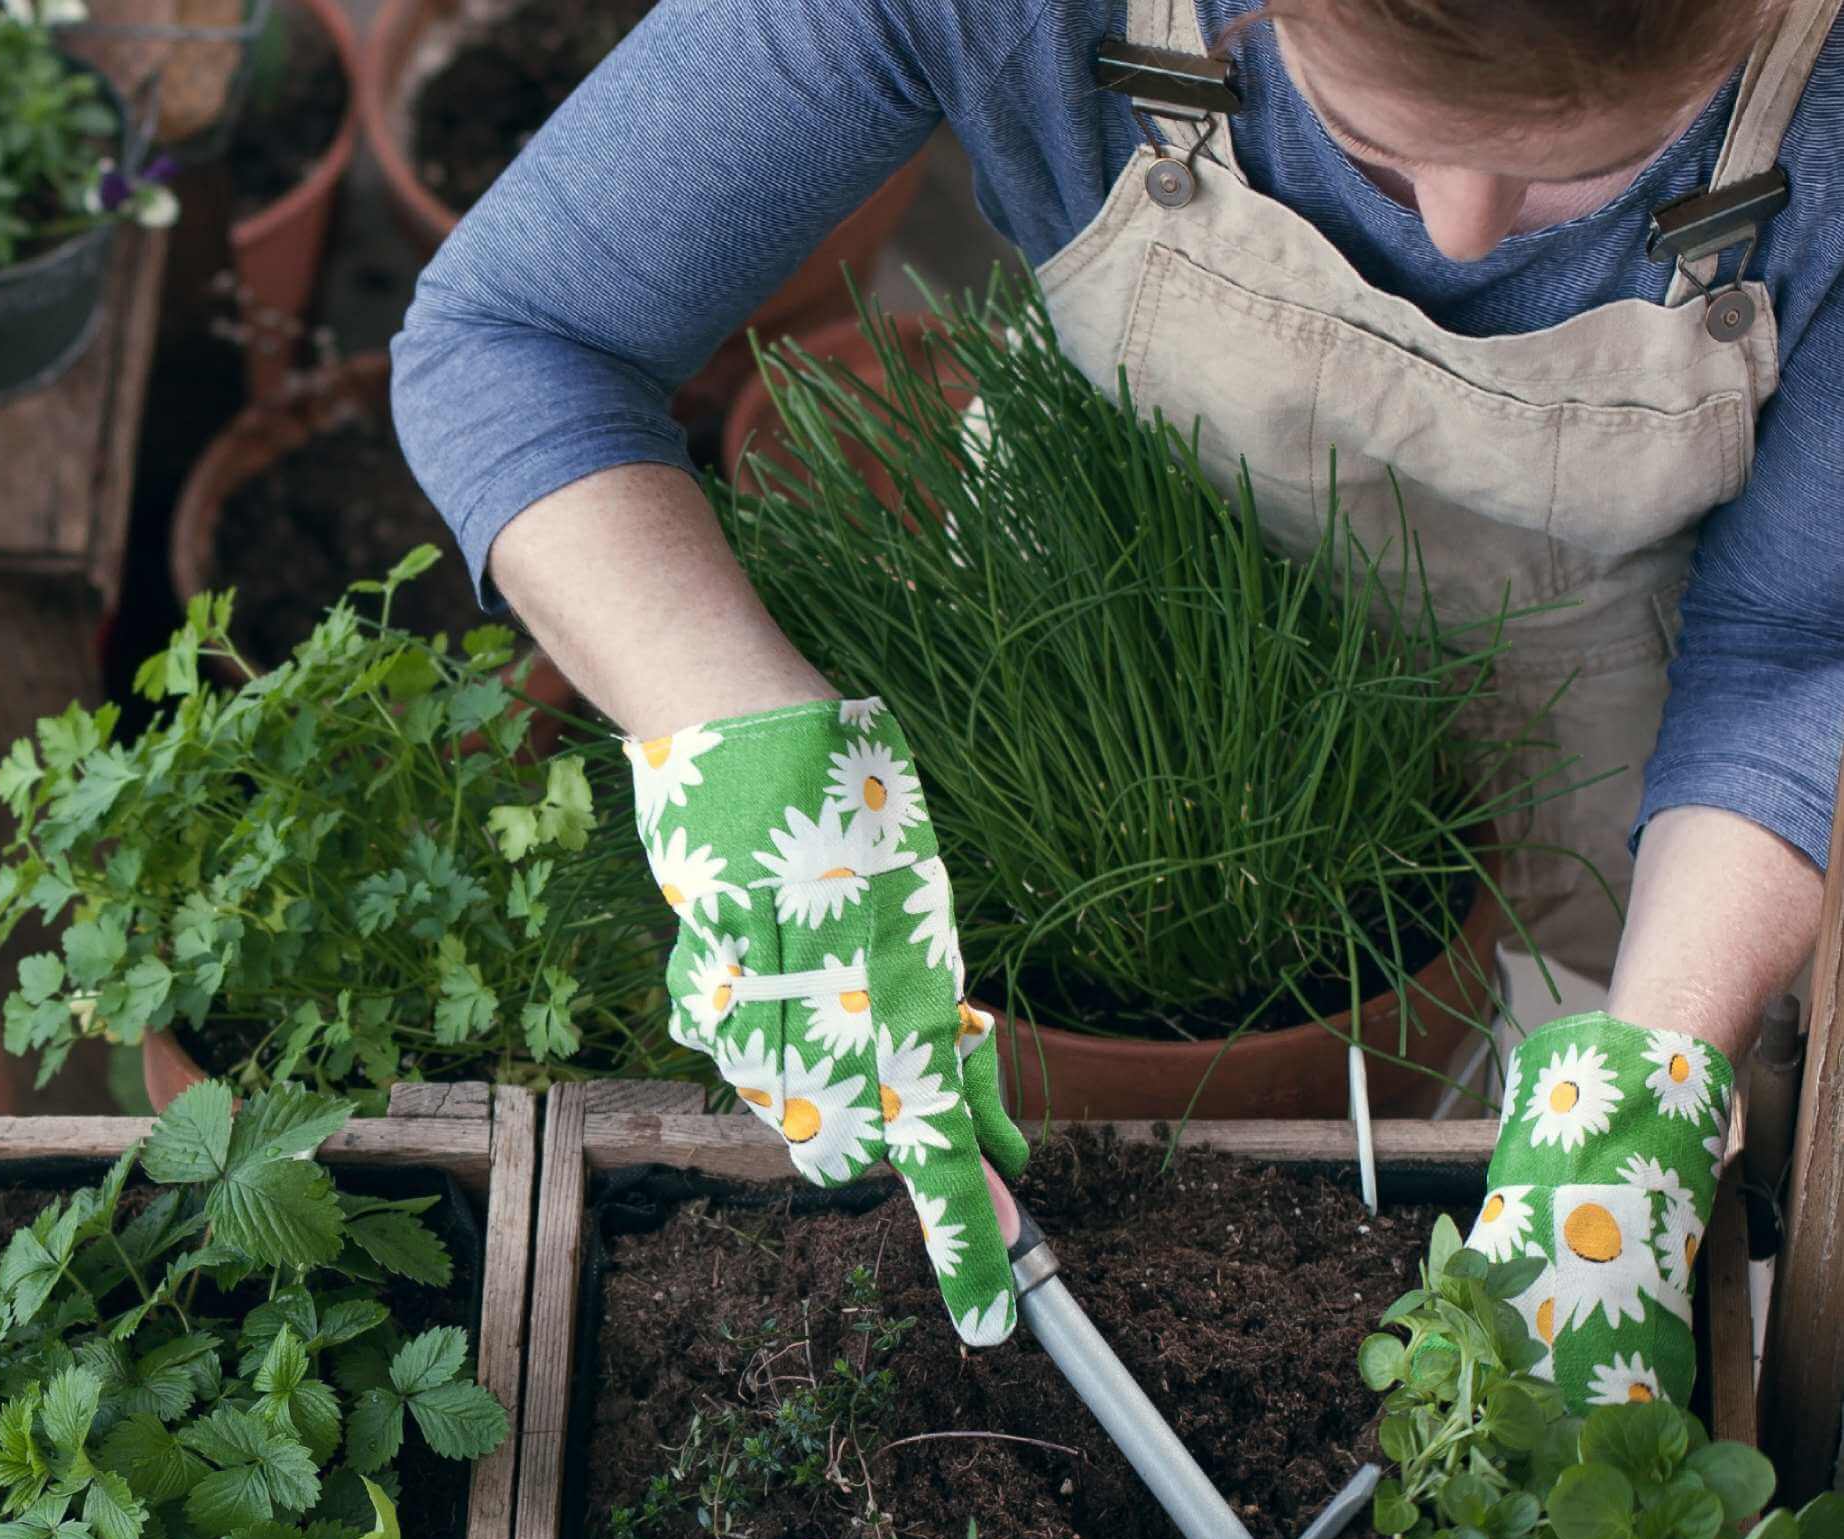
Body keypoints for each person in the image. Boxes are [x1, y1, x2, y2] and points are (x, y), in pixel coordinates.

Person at [392, 0, 1844, 1411]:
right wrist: (742, 733)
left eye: (1597, 168)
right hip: (1115, 631)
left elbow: (1792, 641)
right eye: (1376, 140)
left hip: (1613, 735)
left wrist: (1656, 1063)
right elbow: (517, 332)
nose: (1457, 228)